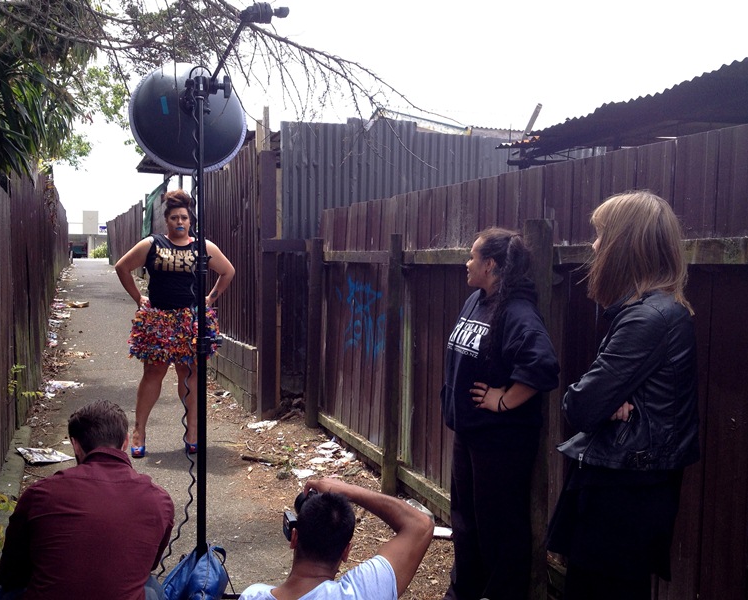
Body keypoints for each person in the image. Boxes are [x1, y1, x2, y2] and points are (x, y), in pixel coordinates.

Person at [546, 191, 700, 600]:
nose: (595, 246)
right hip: (630, 486)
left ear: (626, 245)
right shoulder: (653, 311)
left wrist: (599, 404)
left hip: (623, 494)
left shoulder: (648, 319)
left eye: (602, 235)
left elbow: (580, 406)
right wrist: (604, 403)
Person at [441, 227, 560, 600]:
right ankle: (464, 591)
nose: (467, 262)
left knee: (499, 530)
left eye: (472, 256)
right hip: (469, 433)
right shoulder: (477, 300)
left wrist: (504, 400)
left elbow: (542, 365)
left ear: (490, 264)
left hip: (501, 443)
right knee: (465, 522)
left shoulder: (517, 311)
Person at [0, 400, 175, 600]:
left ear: (75, 444)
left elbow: (12, 570)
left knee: (4, 591)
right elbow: (147, 563)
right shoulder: (159, 501)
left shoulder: (41, 494)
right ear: (126, 442)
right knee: (150, 586)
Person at [115, 189, 235, 457]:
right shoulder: (152, 244)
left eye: (184, 218)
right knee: (153, 373)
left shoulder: (202, 246)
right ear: (166, 220)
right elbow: (122, 267)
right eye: (174, 218)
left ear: (190, 220)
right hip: (158, 319)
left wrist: (210, 299)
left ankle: (192, 431)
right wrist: (138, 298)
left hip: (190, 322)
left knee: (189, 374)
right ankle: (139, 431)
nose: (179, 222)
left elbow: (227, 271)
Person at [239, 477, 434, 600]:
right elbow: (420, 525)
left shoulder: (252, 596)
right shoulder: (360, 593)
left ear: (294, 538)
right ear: (346, 552)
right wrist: (348, 490)